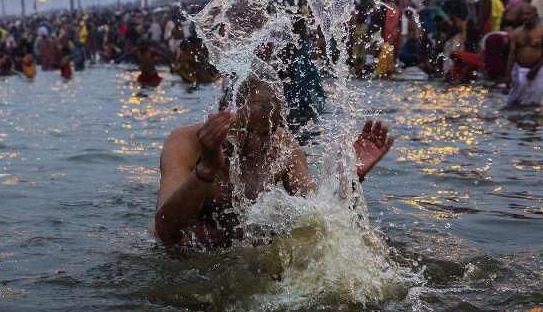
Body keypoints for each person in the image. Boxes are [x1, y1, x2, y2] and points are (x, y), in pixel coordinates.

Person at [154, 73, 394, 247]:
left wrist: (350, 177)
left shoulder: (282, 146)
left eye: (267, 132)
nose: (258, 145)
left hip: (243, 256)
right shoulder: (184, 143)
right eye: (247, 131)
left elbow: (318, 214)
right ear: (221, 115)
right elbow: (166, 232)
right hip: (189, 260)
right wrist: (205, 169)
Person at [506, 4, 543, 107]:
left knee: (534, 103)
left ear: (535, 15)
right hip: (519, 69)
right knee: (515, 102)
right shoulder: (516, 33)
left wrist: (536, 69)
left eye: (528, 14)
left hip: (538, 70)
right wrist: (507, 74)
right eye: (523, 14)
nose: (525, 17)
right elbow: (512, 54)